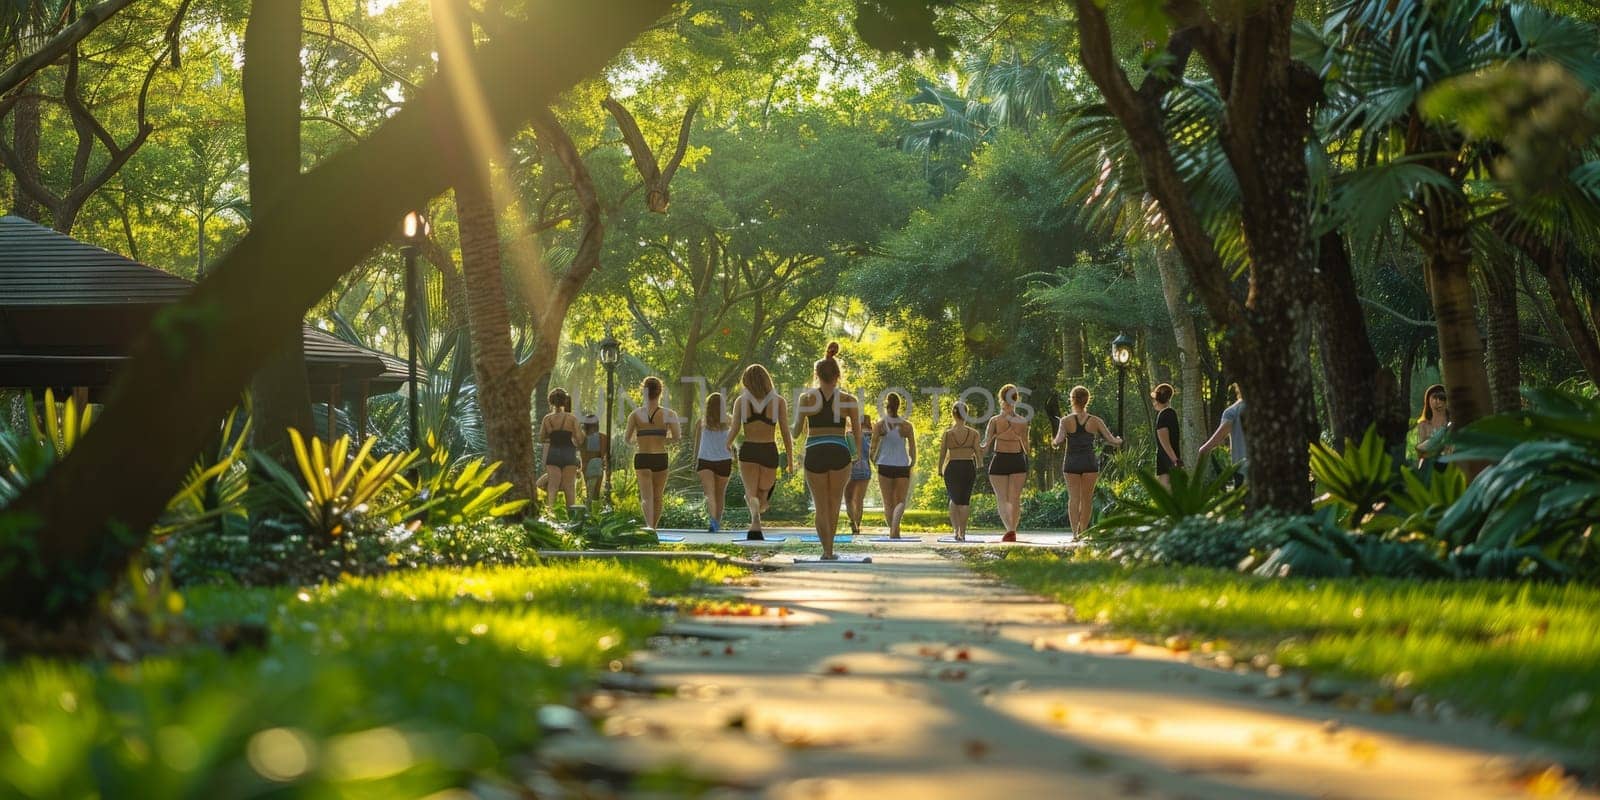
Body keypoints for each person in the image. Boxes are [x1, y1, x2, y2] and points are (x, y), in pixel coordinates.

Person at [792, 342, 863, 560]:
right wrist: (858, 455)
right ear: (838, 375)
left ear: (817, 374)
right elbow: (858, 434)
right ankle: (830, 551)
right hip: (839, 452)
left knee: (820, 505)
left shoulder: (806, 398)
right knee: (834, 504)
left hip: (815, 452)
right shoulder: (849, 400)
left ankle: (826, 551)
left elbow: (795, 433)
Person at [727, 363, 793, 540]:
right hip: (769, 451)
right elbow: (786, 432)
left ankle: (755, 520)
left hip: (748, 450)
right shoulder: (778, 401)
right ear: (766, 380)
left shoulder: (741, 402)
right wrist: (791, 459)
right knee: (764, 491)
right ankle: (758, 511)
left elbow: (734, 429)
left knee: (751, 491)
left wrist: (726, 446)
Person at [1051, 386, 1123, 536]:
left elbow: (1058, 441)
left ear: (1072, 400)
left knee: (1074, 499)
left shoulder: (1065, 421)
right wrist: (1119, 440)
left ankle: (1074, 534)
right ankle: (1083, 531)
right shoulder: (1095, 421)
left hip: (1071, 463)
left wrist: (1053, 442)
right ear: (1087, 400)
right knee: (1087, 499)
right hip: (1089, 462)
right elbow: (1112, 440)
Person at [624, 376, 678, 531]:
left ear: (644, 392)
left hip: (642, 457)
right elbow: (676, 438)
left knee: (646, 496)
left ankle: (649, 527)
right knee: (657, 496)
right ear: (660, 392)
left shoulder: (634, 415)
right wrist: (661, 439)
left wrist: (641, 438)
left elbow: (627, 439)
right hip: (660, 457)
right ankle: (653, 526)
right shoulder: (670, 414)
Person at [981, 384, 1031, 542]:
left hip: (1000, 460)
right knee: (1015, 498)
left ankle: (1009, 530)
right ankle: (1012, 530)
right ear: (1016, 399)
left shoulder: (995, 421)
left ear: (1001, 398)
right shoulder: (1022, 421)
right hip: (1017, 459)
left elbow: (985, 445)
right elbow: (1027, 448)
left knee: (1002, 498)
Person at [872, 393, 915, 539]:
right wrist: (912, 462)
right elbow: (912, 448)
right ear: (899, 406)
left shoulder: (879, 425)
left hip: (884, 465)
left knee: (888, 502)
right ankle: (895, 530)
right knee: (900, 501)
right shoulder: (907, 426)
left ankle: (893, 531)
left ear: (886, 405)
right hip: (902, 465)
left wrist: (873, 461)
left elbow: (873, 448)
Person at [937, 400, 981, 541]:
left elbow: (943, 453)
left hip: (953, 468)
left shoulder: (948, 434)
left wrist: (939, 469)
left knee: (954, 499)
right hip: (968, 467)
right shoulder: (973, 433)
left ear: (953, 414)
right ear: (966, 414)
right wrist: (979, 464)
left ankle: (956, 531)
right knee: (964, 500)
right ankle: (963, 532)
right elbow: (978, 452)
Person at [694, 392, 734, 533]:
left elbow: (697, 444)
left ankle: (713, 522)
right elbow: (733, 440)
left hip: (705, 461)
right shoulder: (730, 421)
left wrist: (695, 461)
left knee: (710, 494)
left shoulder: (701, 422)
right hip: (724, 460)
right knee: (720, 494)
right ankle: (717, 522)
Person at [539, 388, 582, 510]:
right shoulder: (572, 419)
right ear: (565, 401)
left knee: (552, 486)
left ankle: (550, 514)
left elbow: (542, 438)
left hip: (553, 453)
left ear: (550, 402)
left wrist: (552, 432)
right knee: (569, 487)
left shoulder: (547, 419)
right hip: (568, 453)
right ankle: (571, 516)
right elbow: (579, 439)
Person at [1197, 383, 1247, 487]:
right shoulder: (1267, 410)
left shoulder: (1233, 412)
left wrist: (1203, 450)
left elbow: (1219, 438)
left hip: (1242, 470)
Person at [845, 412, 873, 535]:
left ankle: (853, 522)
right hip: (865, 468)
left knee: (849, 498)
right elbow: (873, 453)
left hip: (849, 468)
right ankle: (858, 524)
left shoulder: (849, 434)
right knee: (859, 500)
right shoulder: (870, 436)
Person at [1152, 383, 1182, 487]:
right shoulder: (1168, 413)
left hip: (1167, 459)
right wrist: (1175, 460)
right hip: (1169, 459)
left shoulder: (1165, 414)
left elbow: (1164, 441)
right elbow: (1164, 440)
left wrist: (1175, 461)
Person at [1413, 383, 1450, 468]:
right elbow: (1420, 450)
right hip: (1429, 467)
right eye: (1434, 398)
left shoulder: (1452, 423)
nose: (1438, 402)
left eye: (1442, 398)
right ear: (1428, 401)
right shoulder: (1422, 425)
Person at [580, 415, 608, 505]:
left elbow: (582, 453)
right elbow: (603, 453)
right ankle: (595, 514)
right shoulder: (603, 437)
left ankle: (589, 512)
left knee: (589, 492)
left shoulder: (583, 438)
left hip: (586, 465)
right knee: (596, 493)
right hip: (597, 464)